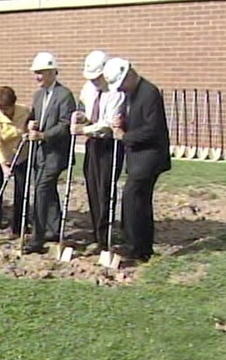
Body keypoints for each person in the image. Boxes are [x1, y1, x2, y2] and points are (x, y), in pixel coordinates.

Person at [103, 57, 172, 262]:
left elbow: (153, 129)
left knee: (133, 197)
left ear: (130, 74)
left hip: (149, 156)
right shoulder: (131, 94)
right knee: (139, 201)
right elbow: (134, 118)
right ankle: (140, 246)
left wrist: (125, 136)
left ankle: (137, 247)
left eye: (122, 84)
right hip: (137, 157)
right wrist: (121, 120)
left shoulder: (149, 93)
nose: (121, 89)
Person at [70, 50, 126, 251]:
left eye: (96, 77)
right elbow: (89, 114)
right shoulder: (88, 88)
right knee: (92, 187)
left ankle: (106, 236)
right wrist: (81, 117)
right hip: (92, 144)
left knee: (105, 190)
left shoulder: (116, 92)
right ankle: (96, 231)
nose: (93, 81)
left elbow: (107, 124)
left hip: (110, 145)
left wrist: (83, 129)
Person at [23, 52, 76, 255]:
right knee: (48, 190)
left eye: (41, 73)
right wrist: (30, 124)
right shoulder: (38, 95)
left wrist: (43, 135)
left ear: (53, 72)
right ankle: (54, 229)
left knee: (41, 191)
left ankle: (37, 238)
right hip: (40, 154)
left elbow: (64, 125)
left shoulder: (65, 95)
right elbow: (33, 117)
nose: (37, 77)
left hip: (56, 154)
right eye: (36, 73)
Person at [0, 86, 30, 239]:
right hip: (2, 157)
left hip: (22, 156)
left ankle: (18, 227)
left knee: (21, 191)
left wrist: (29, 131)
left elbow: (31, 127)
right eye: (2, 109)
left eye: (8, 108)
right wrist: (3, 165)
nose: (5, 111)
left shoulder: (25, 112)